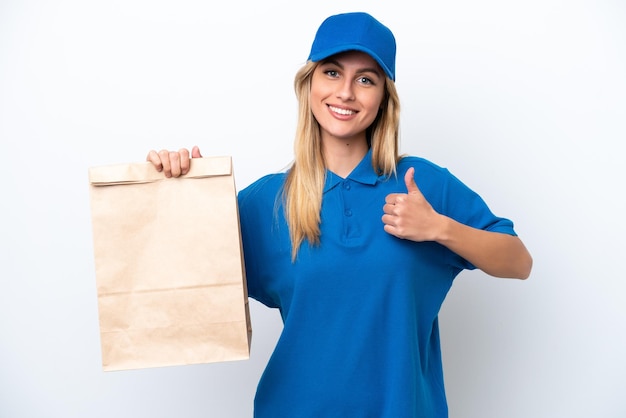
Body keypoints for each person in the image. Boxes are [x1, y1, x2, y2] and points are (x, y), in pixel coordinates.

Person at [146, 11, 532, 418]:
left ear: (384, 97)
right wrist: (183, 192)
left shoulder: (423, 184)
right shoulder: (267, 202)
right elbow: (180, 289)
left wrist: (439, 227)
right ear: (309, 84)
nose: (346, 92)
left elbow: (518, 261)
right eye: (332, 73)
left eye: (366, 79)